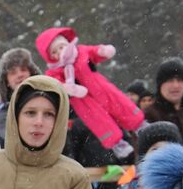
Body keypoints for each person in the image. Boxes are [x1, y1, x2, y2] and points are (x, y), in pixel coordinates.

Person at [35, 26, 142, 155]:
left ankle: (139, 124)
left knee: (119, 103)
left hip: (100, 86)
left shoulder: (81, 52)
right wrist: (70, 88)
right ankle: (117, 144)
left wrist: (103, 51)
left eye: (61, 47)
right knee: (98, 120)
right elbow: (56, 84)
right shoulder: (55, 70)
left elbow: (94, 52)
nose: (60, 52)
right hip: (82, 101)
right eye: (54, 52)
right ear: (50, 57)